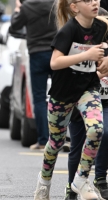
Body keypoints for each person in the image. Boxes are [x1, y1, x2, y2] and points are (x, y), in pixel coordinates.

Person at [33, 0, 108, 199]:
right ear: (74, 7)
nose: (94, 2)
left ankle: (81, 180)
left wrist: (102, 58)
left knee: (96, 129)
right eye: (87, 0)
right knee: (56, 143)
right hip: (62, 93)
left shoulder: (101, 26)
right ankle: (44, 182)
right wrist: (88, 53)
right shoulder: (68, 31)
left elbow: (100, 48)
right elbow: (55, 62)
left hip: (87, 89)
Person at [63, 8, 108, 200]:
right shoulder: (78, 43)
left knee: (104, 132)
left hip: (104, 101)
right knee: (77, 146)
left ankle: (100, 178)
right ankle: (71, 186)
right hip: (78, 100)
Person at [10, 0, 56, 150]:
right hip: (58, 53)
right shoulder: (57, 4)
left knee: (39, 98)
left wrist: (18, 10)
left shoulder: (28, 6)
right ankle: (60, 139)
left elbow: (14, 27)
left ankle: (43, 140)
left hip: (36, 54)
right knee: (62, 97)